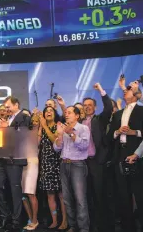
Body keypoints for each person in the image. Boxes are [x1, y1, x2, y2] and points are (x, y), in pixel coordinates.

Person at [0, 96, 31, 230]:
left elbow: (23, 135)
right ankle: (5, 215)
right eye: (5, 107)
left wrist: (7, 128)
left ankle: (16, 221)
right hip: (2, 159)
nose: (6, 109)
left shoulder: (24, 116)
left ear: (16, 105)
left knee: (15, 191)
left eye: (8, 107)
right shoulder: (7, 119)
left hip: (15, 159)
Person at [108, 87, 143, 232]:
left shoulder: (141, 110)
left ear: (135, 95)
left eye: (128, 90)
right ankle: (128, 228)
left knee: (139, 194)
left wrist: (134, 132)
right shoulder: (119, 114)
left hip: (136, 154)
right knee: (123, 196)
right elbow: (109, 136)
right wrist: (117, 132)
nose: (124, 92)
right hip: (120, 155)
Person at [54, 106, 91, 232]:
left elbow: (84, 145)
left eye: (69, 112)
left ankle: (83, 228)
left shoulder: (83, 128)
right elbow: (56, 148)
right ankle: (72, 226)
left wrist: (71, 133)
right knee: (67, 198)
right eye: (65, 113)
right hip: (64, 164)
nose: (66, 114)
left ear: (77, 116)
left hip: (77, 165)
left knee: (80, 198)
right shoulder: (63, 129)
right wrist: (60, 135)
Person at [82, 83, 112, 232]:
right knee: (87, 197)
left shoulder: (100, 119)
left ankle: (104, 226)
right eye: (85, 105)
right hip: (83, 164)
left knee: (100, 196)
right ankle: (92, 225)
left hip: (97, 162)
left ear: (94, 107)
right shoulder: (80, 123)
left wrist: (101, 90)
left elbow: (109, 108)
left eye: (89, 105)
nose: (87, 107)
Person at [38, 106, 67, 230]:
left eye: (51, 111)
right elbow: (37, 143)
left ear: (55, 114)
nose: (48, 112)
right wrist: (41, 126)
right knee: (50, 195)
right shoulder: (42, 128)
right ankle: (54, 220)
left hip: (56, 163)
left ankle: (65, 221)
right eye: (46, 111)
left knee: (61, 195)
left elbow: (54, 140)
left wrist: (44, 126)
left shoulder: (58, 126)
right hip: (45, 164)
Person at [21, 110, 40, 231]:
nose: (33, 122)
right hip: (22, 163)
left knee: (30, 193)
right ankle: (30, 219)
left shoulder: (38, 132)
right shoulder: (23, 132)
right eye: (32, 120)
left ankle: (35, 220)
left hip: (32, 163)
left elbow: (36, 143)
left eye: (36, 121)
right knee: (23, 194)